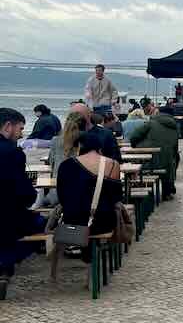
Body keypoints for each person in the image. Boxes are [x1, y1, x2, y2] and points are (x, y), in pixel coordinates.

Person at [56, 130, 123, 263]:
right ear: (99, 147)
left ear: (79, 146)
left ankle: (83, 248)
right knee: (105, 211)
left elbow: (62, 197)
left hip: (73, 222)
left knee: (81, 212)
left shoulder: (65, 165)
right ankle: (93, 251)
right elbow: (116, 197)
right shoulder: (112, 164)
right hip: (102, 221)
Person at [0, 108, 45, 294]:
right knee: (41, 224)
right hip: (8, 216)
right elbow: (24, 193)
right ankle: (5, 264)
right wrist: (31, 196)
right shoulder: (13, 153)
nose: (21, 134)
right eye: (20, 129)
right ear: (8, 126)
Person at [128, 104, 180, 198]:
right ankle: (168, 191)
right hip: (167, 163)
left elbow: (135, 136)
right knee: (173, 160)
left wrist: (134, 146)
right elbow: (175, 147)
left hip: (149, 161)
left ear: (159, 112)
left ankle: (142, 192)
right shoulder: (175, 127)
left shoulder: (151, 123)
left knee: (138, 166)